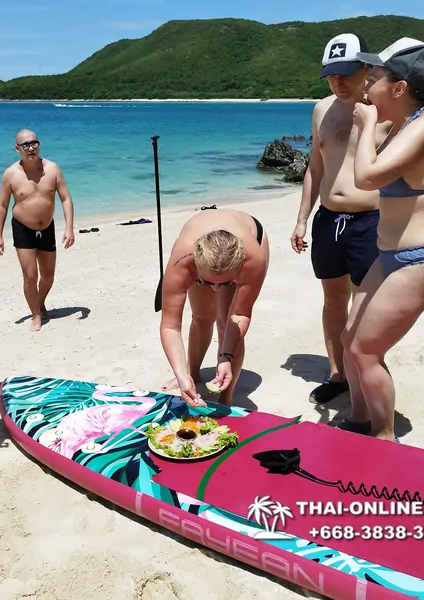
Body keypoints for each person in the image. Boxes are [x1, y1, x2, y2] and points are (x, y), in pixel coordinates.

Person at [340, 38, 424, 442]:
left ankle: (384, 438)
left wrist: (367, 126)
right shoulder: (404, 125)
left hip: (423, 258)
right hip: (390, 254)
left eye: (373, 77)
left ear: (399, 87)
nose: (366, 85)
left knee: (365, 350)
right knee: (349, 338)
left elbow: (367, 177)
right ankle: (358, 420)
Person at [291, 32, 394, 406]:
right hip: (327, 219)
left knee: (367, 305)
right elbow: (314, 169)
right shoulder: (321, 109)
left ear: (366, 68)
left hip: (370, 222)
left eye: (348, 72)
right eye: (333, 74)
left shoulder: (382, 109)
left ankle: (367, 368)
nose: (340, 81)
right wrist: (302, 220)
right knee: (333, 301)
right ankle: (338, 373)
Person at [159, 209, 270, 407]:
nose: (216, 289)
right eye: (208, 281)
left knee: (225, 322)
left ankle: (226, 397)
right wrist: (180, 372)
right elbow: (170, 326)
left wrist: (226, 357)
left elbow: (240, 315)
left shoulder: (253, 259)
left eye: (226, 282)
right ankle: (192, 374)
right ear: (195, 265)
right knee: (201, 317)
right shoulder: (182, 259)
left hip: (248, 233)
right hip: (203, 246)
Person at [0, 129, 76, 332]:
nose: (30, 148)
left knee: (48, 276)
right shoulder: (11, 174)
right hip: (22, 228)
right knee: (30, 275)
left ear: (39, 145)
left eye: (34, 144)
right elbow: (2, 205)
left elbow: (65, 198)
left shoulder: (53, 169)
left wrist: (69, 228)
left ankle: (40, 302)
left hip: (47, 227)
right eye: (25, 145)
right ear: (17, 148)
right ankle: (36, 314)